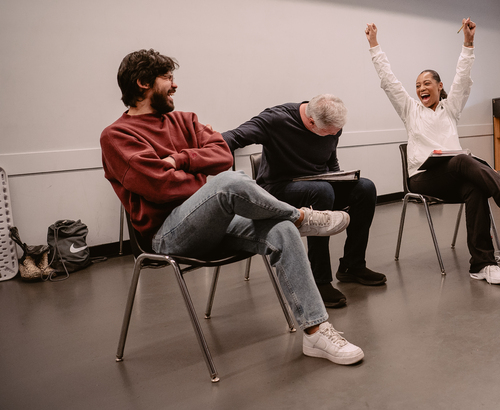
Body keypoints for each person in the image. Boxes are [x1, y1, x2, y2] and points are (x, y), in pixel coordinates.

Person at [100, 49, 364, 365]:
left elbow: (222, 154)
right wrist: (208, 185)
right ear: (143, 83)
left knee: (276, 227)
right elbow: (159, 186)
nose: (175, 85)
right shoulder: (116, 136)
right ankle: (301, 216)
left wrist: (183, 159)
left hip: (217, 221)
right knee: (228, 183)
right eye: (168, 78)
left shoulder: (186, 121)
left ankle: (316, 333)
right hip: (167, 234)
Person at [365, 19, 500, 285]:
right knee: (463, 159)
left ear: (439, 87)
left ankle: (482, 265)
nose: (421, 88)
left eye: (427, 83)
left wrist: (468, 44)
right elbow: (388, 81)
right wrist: (374, 46)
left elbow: (462, 79)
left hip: (453, 174)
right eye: (418, 84)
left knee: (474, 188)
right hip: (422, 176)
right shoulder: (410, 111)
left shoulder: (450, 109)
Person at [222, 95, 386, 308]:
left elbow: (330, 160)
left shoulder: (331, 124)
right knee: (322, 192)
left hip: (318, 183)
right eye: (330, 131)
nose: (335, 134)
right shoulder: (276, 119)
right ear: (311, 122)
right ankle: (319, 280)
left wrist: (341, 179)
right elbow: (232, 137)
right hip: (278, 188)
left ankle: (352, 265)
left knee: (365, 187)